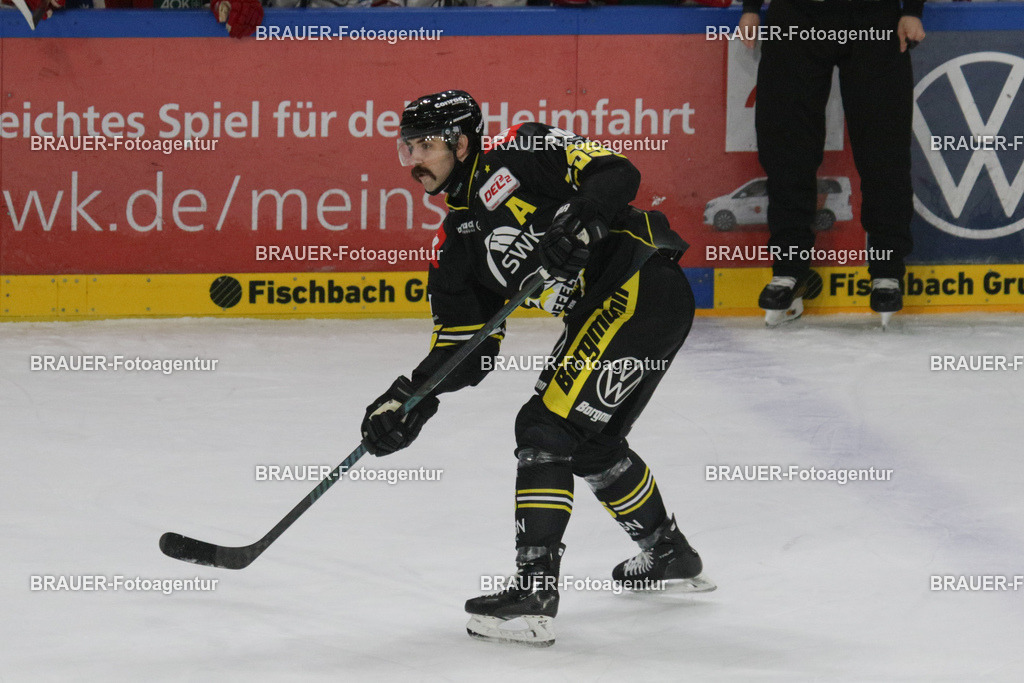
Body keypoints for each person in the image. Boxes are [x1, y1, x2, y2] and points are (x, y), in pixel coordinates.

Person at [359, 90, 714, 647]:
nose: (413, 162)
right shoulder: (454, 248)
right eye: (405, 148)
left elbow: (617, 172)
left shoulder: (521, 149)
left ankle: (534, 593)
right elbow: (465, 351)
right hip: (625, 309)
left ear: (462, 140)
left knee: (546, 429)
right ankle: (668, 554)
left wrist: (580, 223)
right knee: (590, 445)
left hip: (639, 281)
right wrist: (408, 400)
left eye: (425, 146)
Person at [740, 0, 926, 327]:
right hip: (796, 16)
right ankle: (788, 270)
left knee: (884, 147)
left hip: (874, 17)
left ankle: (887, 270)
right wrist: (751, 7)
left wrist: (912, 9)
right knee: (786, 147)